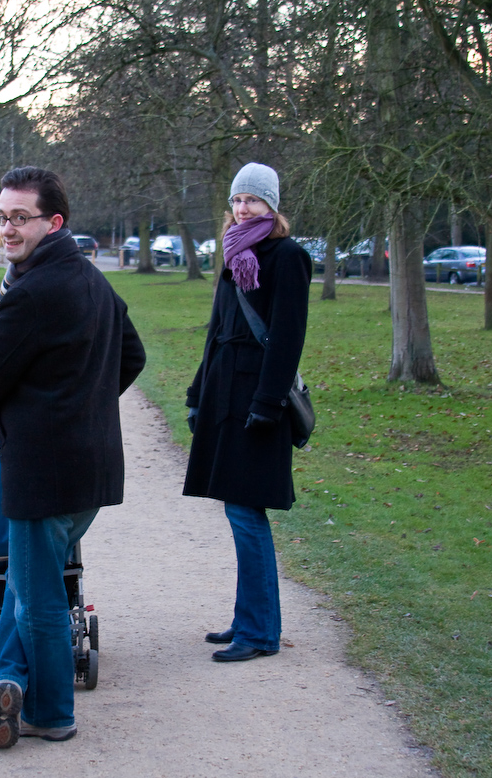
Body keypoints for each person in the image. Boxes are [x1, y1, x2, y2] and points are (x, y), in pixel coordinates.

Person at [0, 166, 146, 748]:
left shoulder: (33, 293)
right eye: (2, 218)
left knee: (37, 602)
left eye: (20, 217)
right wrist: (79, 404)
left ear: (53, 221)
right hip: (88, 476)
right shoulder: (89, 279)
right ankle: (9, 677)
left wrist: (48, 410)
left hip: (43, 476)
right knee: (27, 586)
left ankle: (52, 713)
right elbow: (131, 356)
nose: (7, 229)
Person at [184, 162, 311, 662]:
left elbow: (286, 338)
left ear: (271, 207)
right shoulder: (235, 253)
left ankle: (260, 633)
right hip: (224, 395)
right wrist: (197, 393)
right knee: (238, 509)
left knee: (245, 510)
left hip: (259, 402)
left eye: (253, 201)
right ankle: (247, 621)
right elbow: (216, 332)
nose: (242, 209)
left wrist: (267, 403)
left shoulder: (288, 257)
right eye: (237, 201)